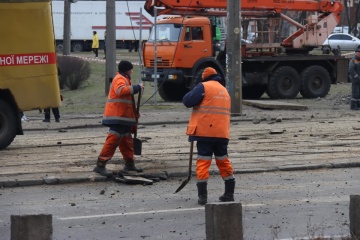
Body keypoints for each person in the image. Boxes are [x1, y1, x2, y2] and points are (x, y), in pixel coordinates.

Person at [182, 67, 235, 205]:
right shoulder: (224, 90)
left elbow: (187, 101)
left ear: (204, 78)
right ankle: (229, 193)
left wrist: (195, 89)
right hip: (222, 133)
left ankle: (202, 196)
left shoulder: (203, 87)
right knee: (223, 161)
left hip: (206, 132)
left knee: (203, 162)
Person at [94, 60, 144, 178]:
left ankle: (129, 164)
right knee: (113, 140)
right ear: (128, 70)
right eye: (131, 69)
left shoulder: (124, 78)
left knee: (126, 141)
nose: (132, 71)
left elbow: (127, 102)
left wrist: (135, 113)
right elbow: (120, 91)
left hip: (122, 117)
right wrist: (137, 87)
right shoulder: (119, 78)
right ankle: (100, 165)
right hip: (117, 116)